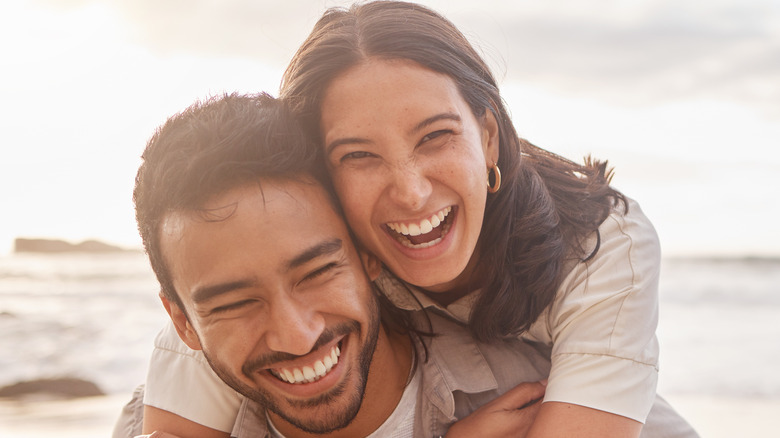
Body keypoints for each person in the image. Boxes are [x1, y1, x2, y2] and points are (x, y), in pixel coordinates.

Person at [133, 2, 699, 437]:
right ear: (319, 179)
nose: (410, 192)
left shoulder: (599, 246)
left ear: (488, 135)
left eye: (436, 136)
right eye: (357, 155)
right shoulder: (250, 292)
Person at [116, 92, 552, 438]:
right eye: (234, 303)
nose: (297, 336)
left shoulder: (535, 402)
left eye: (317, 273)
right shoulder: (152, 426)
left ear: (368, 255)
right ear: (182, 322)